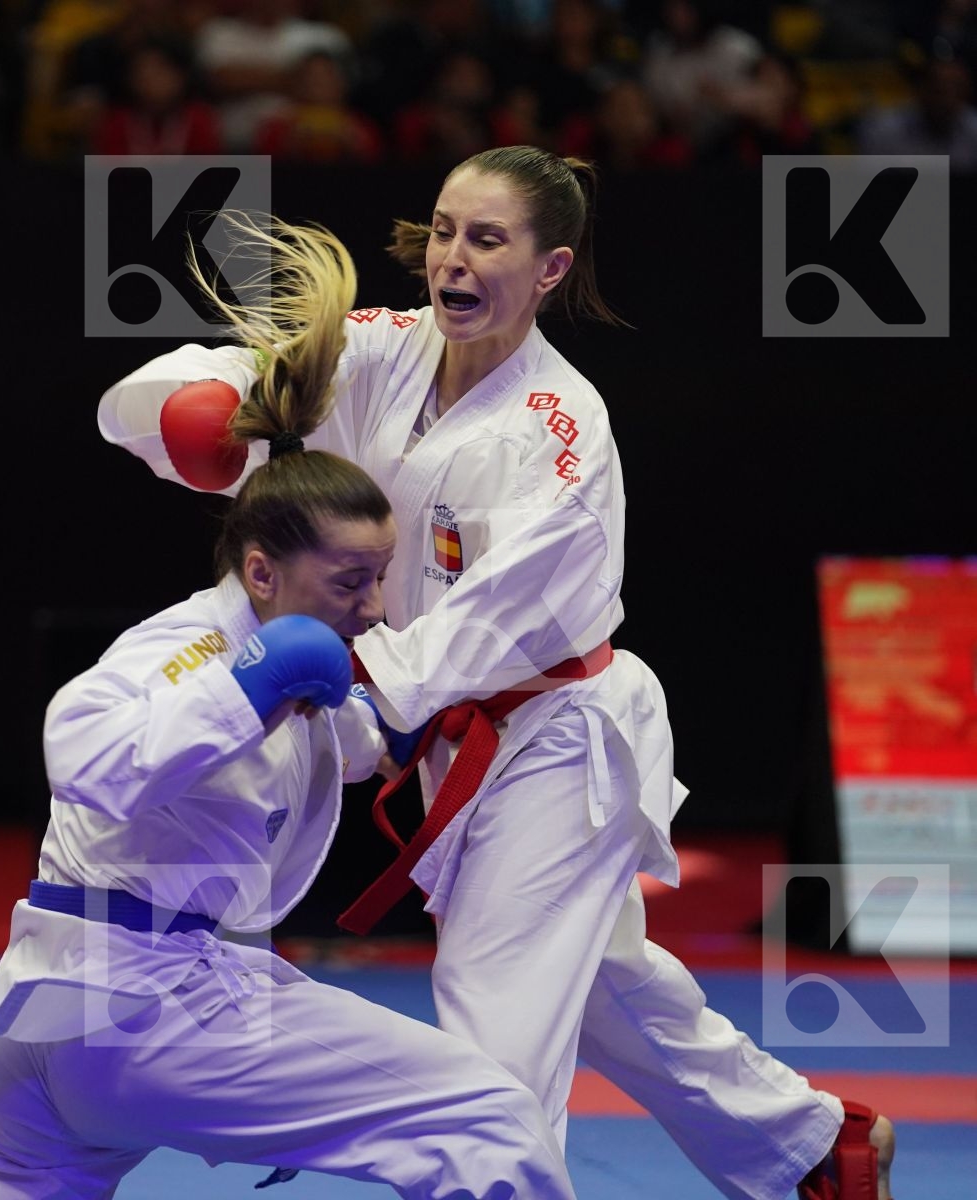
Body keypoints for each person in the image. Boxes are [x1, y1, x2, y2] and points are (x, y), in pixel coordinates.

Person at [96, 149, 896, 1200]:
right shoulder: (379, 353)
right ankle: (809, 1147)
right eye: (440, 231)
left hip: (556, 742)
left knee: (491, 1029)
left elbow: (486, 620)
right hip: (459, 742)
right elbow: (228, 379)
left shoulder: (561, 435)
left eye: (485, 239)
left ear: (549, 266)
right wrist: (194, 405)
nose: (452, 260)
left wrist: (354, 706)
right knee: (604, 990)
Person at [0, 222, 578, 1199]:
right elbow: (87, 757)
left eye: (377, 582)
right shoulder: (192, 651)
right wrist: (246, 689)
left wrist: (404, 709)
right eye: (352, 580)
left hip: (58, 1024)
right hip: (149, 1012)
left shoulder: (306, 667)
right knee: (485, 1118)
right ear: (260, 570)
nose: (370, 605)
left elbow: (335, 745)